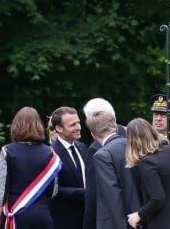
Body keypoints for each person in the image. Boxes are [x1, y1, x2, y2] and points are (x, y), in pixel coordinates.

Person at [0, 107, 61, 229]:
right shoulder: (50, 152)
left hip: (16, 214)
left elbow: (0, 191)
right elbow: (53, 191)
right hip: (42, 214)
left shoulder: (7, 151)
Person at [86, 110, 141, 229]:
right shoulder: (135, 145)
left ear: (93, 135)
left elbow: (113, 196)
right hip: (142, 216)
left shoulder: (101, 155)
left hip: (119, 223)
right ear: (116, 127)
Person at [82, 97, 127, 229]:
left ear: (93, 133)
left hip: (112, 220)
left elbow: (94, 193)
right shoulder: (132, 138)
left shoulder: (96, 150)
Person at [48, 107, 87, 229]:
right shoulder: (51, 154)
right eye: (73, 125)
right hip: (64, 220)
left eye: (79, 122)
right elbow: (53, 190)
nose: (79, 127)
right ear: (59, 128)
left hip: (86, 219)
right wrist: (86, 193)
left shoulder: (83, 148)